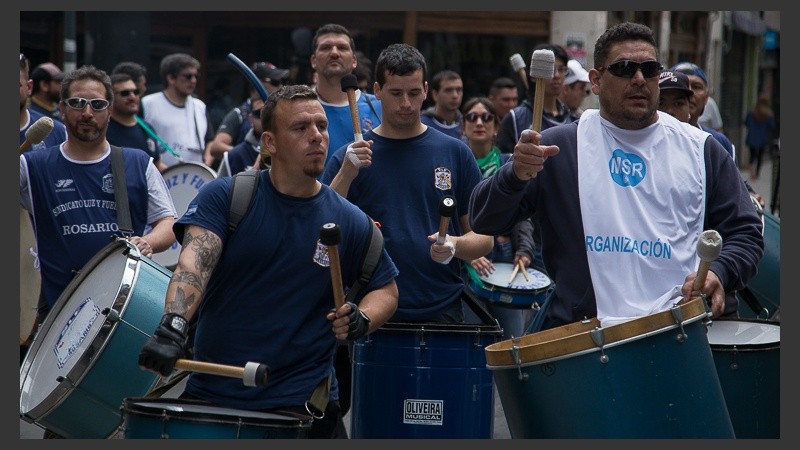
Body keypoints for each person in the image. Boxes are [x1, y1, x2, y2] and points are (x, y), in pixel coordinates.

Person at [137, 84, 399, 439]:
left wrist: (362, 319)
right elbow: (194, 265)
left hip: (303, 406)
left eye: (321, 126)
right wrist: (173, 326)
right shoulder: (229, 197)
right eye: (300, 128)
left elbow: (385, 288)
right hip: (217, 398)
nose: (317, 137)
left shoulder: (349, 220)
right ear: (270, 143)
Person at [469, 22, 764, 331]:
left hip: (678, 336)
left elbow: (746, 233)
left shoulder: (702, 150)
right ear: (595, 80)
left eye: (649, 69)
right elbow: (484, 220)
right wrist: (515, 175)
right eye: (624, 69)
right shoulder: (558, 148)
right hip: (582, 339)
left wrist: (718, 272)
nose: (639, 79)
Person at [19, 65, 177, 405]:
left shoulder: (137, 163)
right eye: (76, 103)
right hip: (60, 314)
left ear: (109, 110)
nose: (87, 113)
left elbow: (168, 223)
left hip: (125, 312)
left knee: (120, 408)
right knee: (63, 411)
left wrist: (149, 241)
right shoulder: (32, 167)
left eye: (97, 104)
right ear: (61, 109)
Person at [322, 42, 493, 323]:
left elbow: (484, 239)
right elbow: (323, 228)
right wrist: (346, 174)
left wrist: (455, 245)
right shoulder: (350, 157)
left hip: (443, 305)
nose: (405, 103)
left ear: (426, 89)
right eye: (396, 93)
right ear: (376, 91)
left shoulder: (455, 152)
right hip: (371, 310)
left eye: (414, 93)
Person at [461, 96, 535, 339]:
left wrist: (524, 248)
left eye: (487, 117)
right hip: (467, 263)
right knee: (474, 342)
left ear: (497, 127)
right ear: (463, 126)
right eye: (472, 117)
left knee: (513, 340)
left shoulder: (508, 164)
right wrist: (468, 253)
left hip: (506, 255)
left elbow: (522, 214)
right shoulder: (457, 163)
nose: (479, 122)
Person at [310, 23, 382, 164]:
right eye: (326, 47)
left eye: (342, 48)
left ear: (354, 60)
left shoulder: (379, 107)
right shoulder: (297, 109)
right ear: (313, 61)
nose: (334, 53)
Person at [496, 43, 578, 154]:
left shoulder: (572, 120)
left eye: (561, 69)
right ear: (533, 75)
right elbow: (505, 162)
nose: (557, 75)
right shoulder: (515, 119)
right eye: (551, 69)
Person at [205, 61, 289, 166]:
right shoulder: (240, 114)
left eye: (282, 81)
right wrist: (248, 153)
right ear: (257, 82)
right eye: (275, 82)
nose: (281, 86)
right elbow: (216, 147)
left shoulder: (285, 112)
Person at [141, 53, 211, 168]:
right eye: (188, 76)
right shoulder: (148, 103)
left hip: (196, 178)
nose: (193, 81)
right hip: (159, 177)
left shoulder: (200, 106)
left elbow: (209, 140)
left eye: (196, 76)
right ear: (171, 78)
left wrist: (206, 164)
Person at [106, 73, 168, 172]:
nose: (132, 97)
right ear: (110, 98)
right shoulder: (103, 130)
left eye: (136, 92)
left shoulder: (147, 128)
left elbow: (156, 165)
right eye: (125, 93)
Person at [20, 53, 66, 152]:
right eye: (58, 82)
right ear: (44, 85)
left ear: (29, 87)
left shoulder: (60, 130)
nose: (62, 87)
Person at [217, 95, 265, 176]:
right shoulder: (234, 156)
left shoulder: (284, 151)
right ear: (250, 118)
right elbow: (221, 187)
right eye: (259, 113)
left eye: (268, 113)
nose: (264, 118)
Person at [420, 69, 464, 140]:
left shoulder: (467, 124)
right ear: (435, 95)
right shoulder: (421, 124)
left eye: (459, 90)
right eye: (448, 90)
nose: (455, 95)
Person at [743, 94, 776, 181]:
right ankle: (757, 174)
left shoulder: (752, 112)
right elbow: (772, 126)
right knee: (760, 157)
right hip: (763, 138)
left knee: (752, 156)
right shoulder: (769, 115)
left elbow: (746, 122)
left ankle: (751, 173)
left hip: (752, 137)